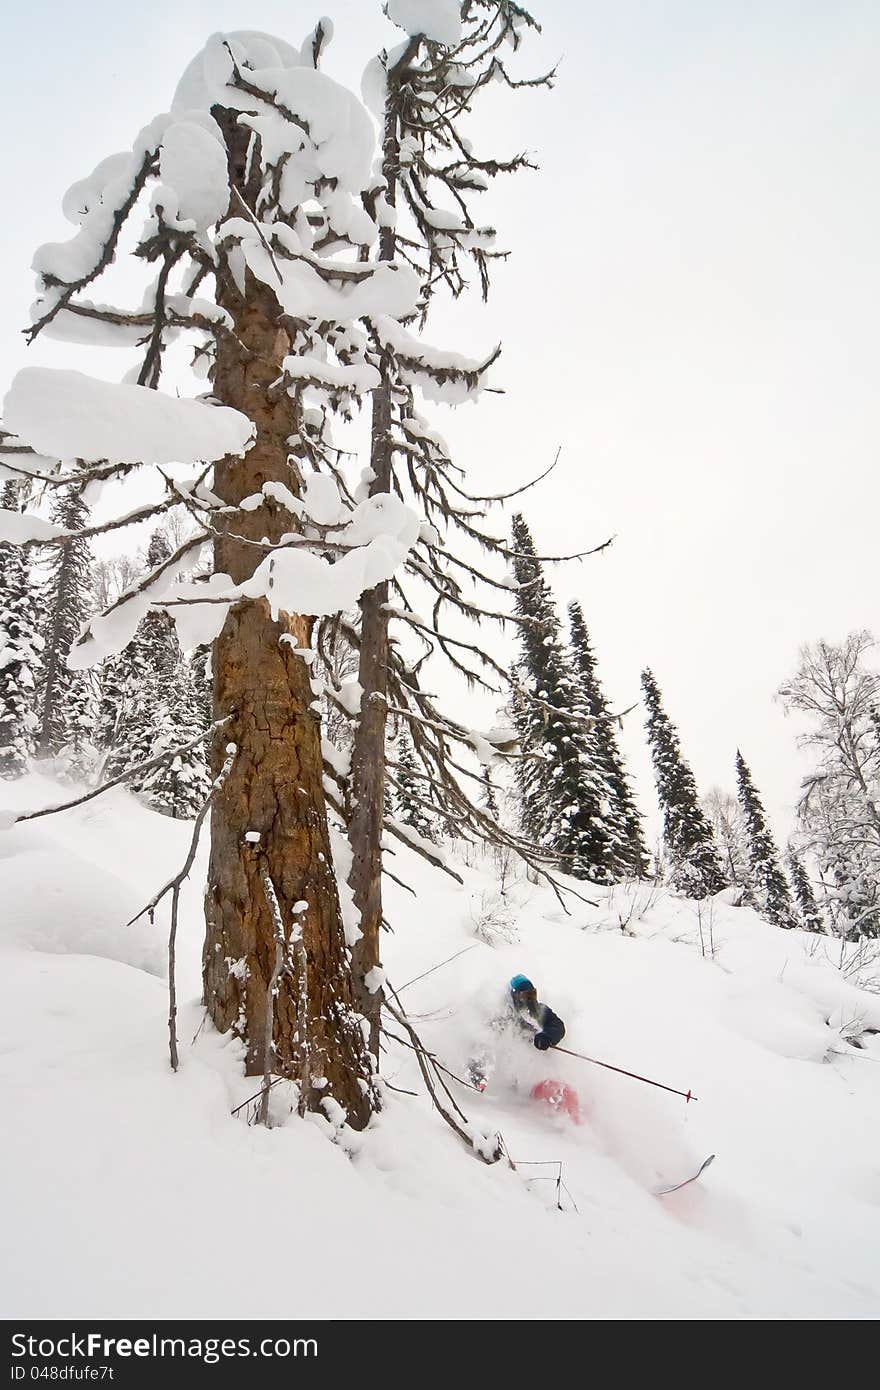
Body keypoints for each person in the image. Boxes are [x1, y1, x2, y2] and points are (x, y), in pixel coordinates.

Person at [467, 974, 566, 1091]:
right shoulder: (501, 1017)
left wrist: (547, 1036)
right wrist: (477, 1074)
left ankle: (553, 1087)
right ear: (514, 997)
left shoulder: (540, 1011)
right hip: (511, 1075)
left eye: (532, 995)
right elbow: (482, 1043)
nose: (529, 1001)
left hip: (538, 1067)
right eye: (524, 996)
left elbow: (557, 1026)